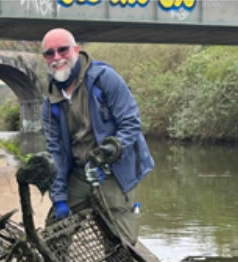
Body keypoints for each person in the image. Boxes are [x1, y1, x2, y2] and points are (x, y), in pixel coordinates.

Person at [40, 28, 154, 245]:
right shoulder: (49, 104)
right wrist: (60, 197)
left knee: (119, 245)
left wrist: (113, 148)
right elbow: (56, 153)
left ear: (76, 49)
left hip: (114, 172)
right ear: (45, 58)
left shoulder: (105, 79)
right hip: (80, 173)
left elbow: (131, 123)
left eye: (63, 50)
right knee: (54, 233)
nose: (57, 58)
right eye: (49, 53)